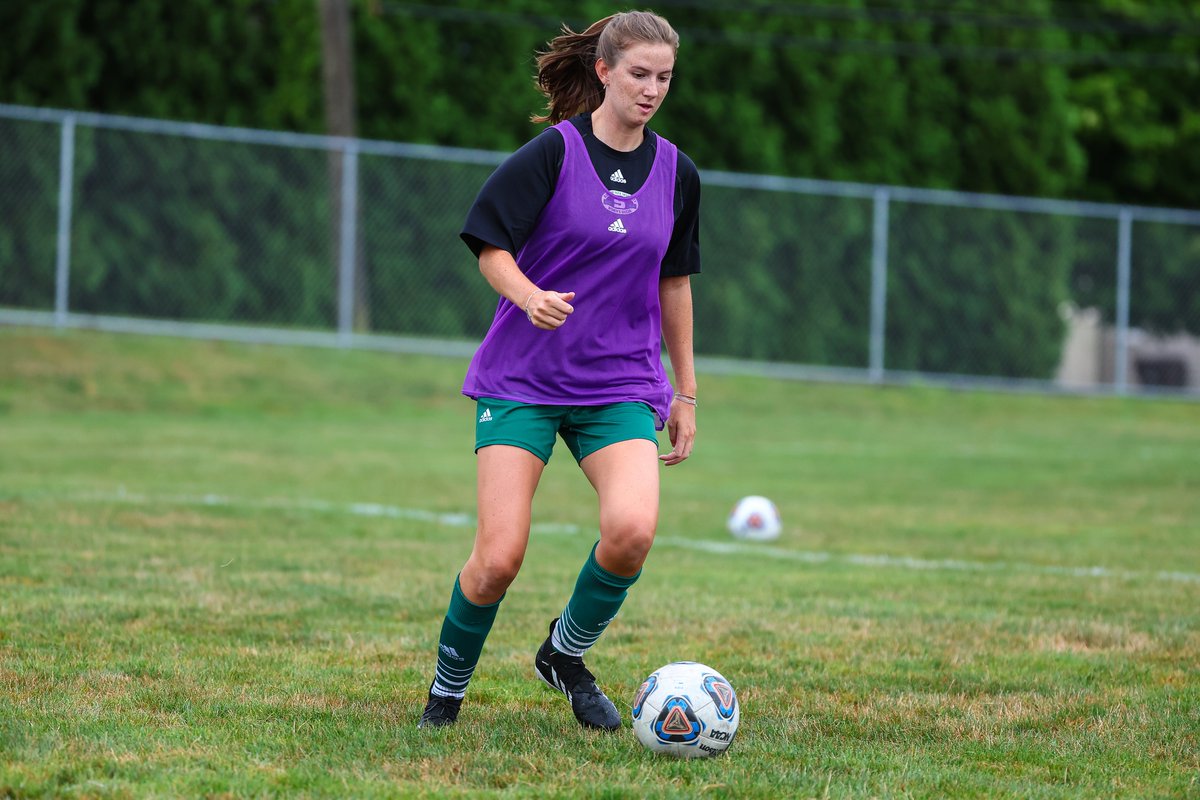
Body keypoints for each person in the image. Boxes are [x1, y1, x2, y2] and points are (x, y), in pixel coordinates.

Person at [418, 9, 702, 730]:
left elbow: (676, 284)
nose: (651, 90)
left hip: (620, 384)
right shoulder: (552, 153)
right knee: (498, 559)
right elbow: (488, 245)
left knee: (633, 528)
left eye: (664, 77)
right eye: (639, 74)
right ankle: (446, 694)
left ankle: (563, 654)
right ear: (603, 71)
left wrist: (685, 391)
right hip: (524, 379)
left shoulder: (678, 173)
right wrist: (529, 295)